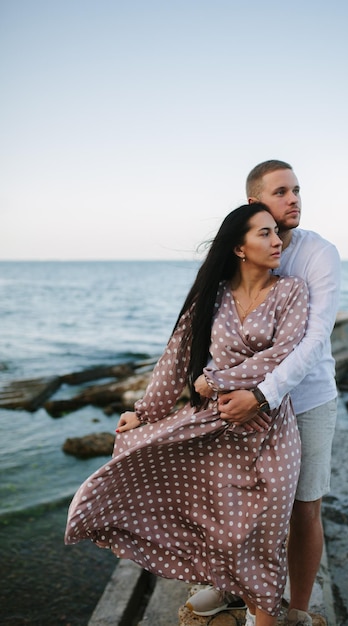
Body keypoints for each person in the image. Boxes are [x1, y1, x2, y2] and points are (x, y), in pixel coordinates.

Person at [65, 203, 309, 626]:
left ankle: (262, 617)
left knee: (266, 536)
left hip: (271, 433)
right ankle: (232, 594)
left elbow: (284, 355)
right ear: (238, 247)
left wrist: (217, 379)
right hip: (215, 433)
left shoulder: (292, 291)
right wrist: (144, 414)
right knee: (222, 527)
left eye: (276, 233)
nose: (276, 242)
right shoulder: (211, 298)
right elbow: (174, 360)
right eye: (264, 234)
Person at [186, 161, 340, 626]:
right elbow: (195, 334)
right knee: (230, 499)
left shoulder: (317, 254)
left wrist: (263, 394)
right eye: (281, 191)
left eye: (297, 190)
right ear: (254, 204)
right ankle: (230, 586)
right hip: (239, 406)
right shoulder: (235, 255)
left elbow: (311, 340)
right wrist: (153, 407)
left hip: (307, 399)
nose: (294, 199)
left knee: (303, 507)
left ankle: (295, 609)